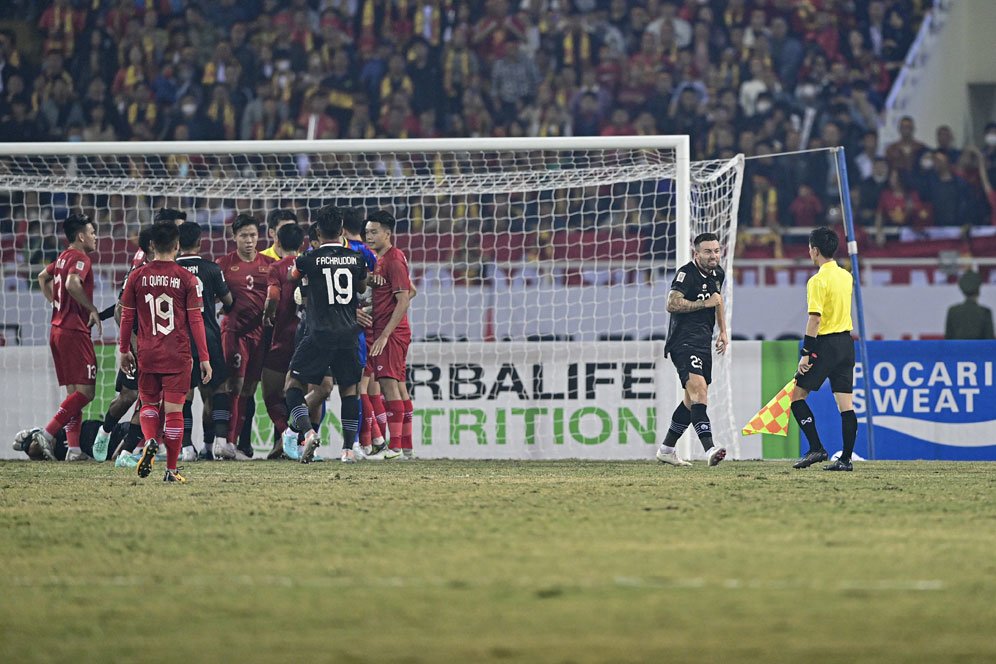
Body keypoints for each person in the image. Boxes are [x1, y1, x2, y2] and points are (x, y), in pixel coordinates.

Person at [119, 221, 211, 482]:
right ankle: (171, 470)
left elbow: (126, 318)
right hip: (178, 355)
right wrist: (204, 357)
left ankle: (149, 440)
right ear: (177, 245)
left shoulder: (136, 276)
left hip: (147, 352)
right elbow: (196, 321)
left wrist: (125, 349)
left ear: (151, 245)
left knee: (148, 404)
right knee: (173, 412)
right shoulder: (187, 278)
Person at [283, 205, 367, 464]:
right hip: (349, 333)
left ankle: (307, 432)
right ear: (341, 230)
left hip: (319, 333)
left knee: (292, 384)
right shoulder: (356, 258)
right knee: (350, 390)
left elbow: (291, 278)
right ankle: (348, 450)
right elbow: (362, 287)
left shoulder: (308, 258)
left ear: (317, 230)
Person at [14, 213, 101, 462]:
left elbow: (42, 276)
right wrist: (91, 309)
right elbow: (74, 284)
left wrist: (55, 302)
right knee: (86, 393)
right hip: (74, 331)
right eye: (92, 232)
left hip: (57, 329)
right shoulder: (81, 258)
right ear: (81, 236)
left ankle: (73, 450)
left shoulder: (63, 257)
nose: (95, 237)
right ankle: (47, 432)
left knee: (73, 394)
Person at [656, 232, 728, 467]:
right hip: (683, 341)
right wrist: (702, 304)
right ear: (696, 253)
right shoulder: (686, 274)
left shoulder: (718, 273)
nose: (713, 255)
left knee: (691, 400)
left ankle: (666, 449)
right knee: (700, 393)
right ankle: (710, 449)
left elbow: (717, 300)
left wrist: (723, 331)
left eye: (716, 250)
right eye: (708, 251)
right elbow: (671, 303)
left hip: (703, 341)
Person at [790, 227, 858, 472]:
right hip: (846, 344)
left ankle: (816, 447)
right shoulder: (846, 276)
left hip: (826, 344)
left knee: (797, 398)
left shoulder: (818, 280)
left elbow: (815, 319)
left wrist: (806, 352)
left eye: (810, 248)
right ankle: (846, 460)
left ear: (814, 250)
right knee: (846, 406)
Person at [215, 213, 275, 459]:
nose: (249, 241)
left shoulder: (268, 265)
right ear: (234, 237)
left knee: (250, 388)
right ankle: (226, 441)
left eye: (252, 235)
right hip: (234, 332)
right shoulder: (224, 263)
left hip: (260, 334)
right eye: (243, 236)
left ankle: (236, 443)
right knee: (234, 385)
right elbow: (215, 295)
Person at [176, 221, 233, 460]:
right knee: (218, 388)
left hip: (179, 340)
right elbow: (229, 301)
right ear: (200, 243)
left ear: (177, 245)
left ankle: (187, 447)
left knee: (184, 394)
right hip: (208, 335)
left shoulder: (170, 271)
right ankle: (219, 442)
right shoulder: (212, 268)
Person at [365, 210, 415, 460]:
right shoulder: (386, 259)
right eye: (367, 232)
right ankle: (406, 448)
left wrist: (385, 334)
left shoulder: (393, 260)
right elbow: (411, 290)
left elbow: (404, 299)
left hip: (390, 333)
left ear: (387, 233)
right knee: (401, 388)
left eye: (374, 232)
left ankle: (394, 449)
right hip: (395, 329)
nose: (369, 236)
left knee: (388, 386)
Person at [261, 222, 305, 459]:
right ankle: (302, 438)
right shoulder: (309, 264)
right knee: (303, 394)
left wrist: (268, 315)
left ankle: (286, 432)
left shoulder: (276, 268)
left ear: (277, 242)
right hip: (308, 339)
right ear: (301, 244)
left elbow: (273, 296)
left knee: (271, 395)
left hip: (283, 338)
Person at [342, 207, 382, 457]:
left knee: (358, 386)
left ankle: (370, 441)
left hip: (346, 322)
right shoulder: (373, 255)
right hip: (372, 323)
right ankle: (370, 441)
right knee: (368, 386)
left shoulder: (341, 252)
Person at [945, 270, 994, 340]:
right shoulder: (985, 313)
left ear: (962, 291)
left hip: (958, 350)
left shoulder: (952, 311)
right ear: (978, 291)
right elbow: (989, 341)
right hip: (978, 351)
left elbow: (948, 340)